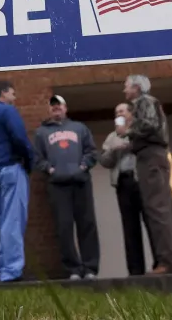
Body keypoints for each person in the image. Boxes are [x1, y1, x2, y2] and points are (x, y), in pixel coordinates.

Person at [122, 74, 172, 274]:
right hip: (158, 156)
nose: (124, 90)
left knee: (157, 209)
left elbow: (148, 125)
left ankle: (169, 263)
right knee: (169, 211)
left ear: (136, 87)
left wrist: (127, 130)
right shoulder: (151, 102)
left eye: (126, 86)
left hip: (150, 158)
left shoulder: (143, 101)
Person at [33, 95, 100, 279]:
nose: (56, 108)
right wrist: (50, 169)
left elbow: (92, 151)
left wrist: (83, 166)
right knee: (64, 227)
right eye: (53, 106)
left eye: (59, 105)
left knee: (87, 225)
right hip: (57, 186)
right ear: (49, 109)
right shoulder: (41, 133)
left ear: (65, 108)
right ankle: (73, 269)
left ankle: (90, 268)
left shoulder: (80, 128)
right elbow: (38, 158)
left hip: (81, 182)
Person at [0, 80, 33, 283]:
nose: (15, 97)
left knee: (4, 221)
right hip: (12, 169)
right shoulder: (7, 111)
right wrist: (29, 161)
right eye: (13, 93)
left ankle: (5, 269)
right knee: (13, 220)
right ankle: (12, 271)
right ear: (3, 93)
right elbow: (20, 137)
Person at [100, 102, 154, 276]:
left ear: (130, 114)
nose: (118, 114)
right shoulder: (112, 136)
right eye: (116, 112)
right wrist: (113, 150)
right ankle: (135, 270)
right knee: (129, 227)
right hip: (123, 183)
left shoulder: (139, 130)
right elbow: (104, 162)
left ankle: (160, 264)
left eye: (122, 111)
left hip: (141, 180)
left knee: (152, 222)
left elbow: (147, 148)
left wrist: (128, 143)